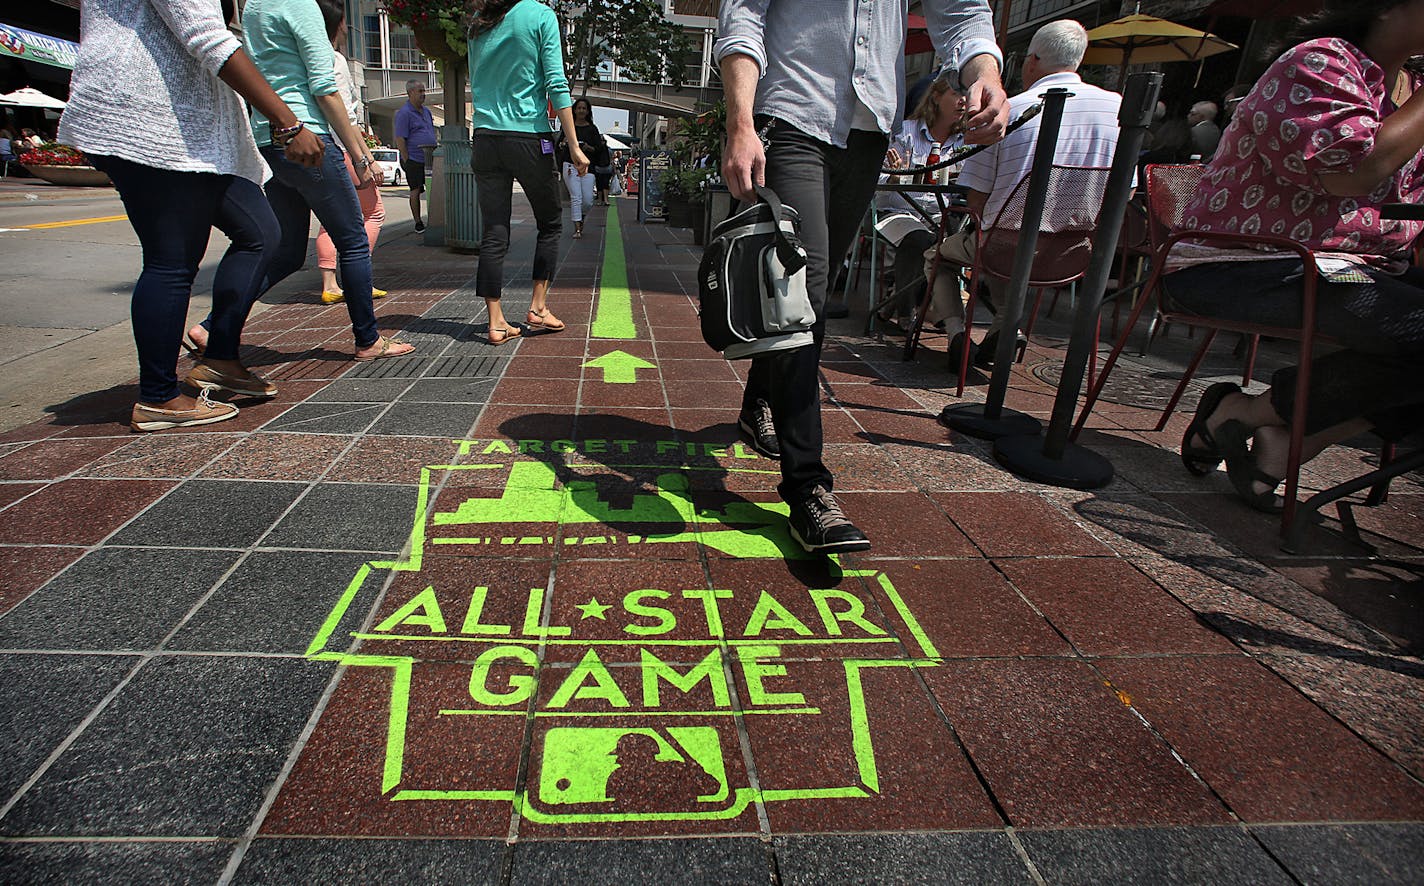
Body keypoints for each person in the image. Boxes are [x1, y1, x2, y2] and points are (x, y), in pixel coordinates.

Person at [717, 0, 1009, 553]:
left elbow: (963, 11)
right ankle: (807, 487)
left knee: (801, 295)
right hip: (792, 113)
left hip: (870, 127)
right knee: (807, 292)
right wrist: (740, 121)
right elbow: (744, 14)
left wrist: (985, 73)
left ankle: (760, 404)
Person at [1166, 0, 1424, 512]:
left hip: (1355, 269)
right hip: (1244, 263)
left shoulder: (1406, 93)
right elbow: (1350, 172)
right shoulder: (1321, 62)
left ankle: (1282, 428)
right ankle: (1261, 418)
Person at [59, 0, 323, 431]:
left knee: (261, 234)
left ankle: (219, 358)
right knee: (173, 260)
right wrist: (287, 121)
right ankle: (158, 396)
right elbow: (206, 37)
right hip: (149, 119)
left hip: (197, 134)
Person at [194, 0, 412, 362]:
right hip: (307, 138)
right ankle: (368, 339)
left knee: (288, 251)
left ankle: (213, 325)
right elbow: (324, 88)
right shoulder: (299, 4)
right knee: (354, 241)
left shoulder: (255, 9)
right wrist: (359, 157)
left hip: (269, 140)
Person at [928, 19, 1124, 370]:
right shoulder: (1118, 110)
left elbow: (976, 203)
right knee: (1014, 248)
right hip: (1076, 250)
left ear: (1031, 61)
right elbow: (1125, 192)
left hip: (1002, 245)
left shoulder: (1008, 112)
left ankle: (957, 333)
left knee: (942, 253)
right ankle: (1007, 328)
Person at [467, 0, 589, 345]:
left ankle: (495, 322)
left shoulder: (478, 21)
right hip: (528, 136)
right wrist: (574, 144)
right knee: (550, 223)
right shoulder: (540, 15)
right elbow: (556, 83)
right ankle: (537, 306)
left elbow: (477, 80)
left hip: (486, 137)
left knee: (494, 230)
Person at [873, 77, 967, 337]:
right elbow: (876, 180)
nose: (963, 100)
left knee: (948, 239)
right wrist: (893, 175)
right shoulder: (905, 132)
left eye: (966, 95)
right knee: (920, 240)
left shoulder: (964, 142)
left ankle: (893, 300)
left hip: (940, 214)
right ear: (936, 97)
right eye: (956, 93)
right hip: (897, 212)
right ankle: (906, 309)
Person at [313, 4, 387, 306]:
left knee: (331, 218)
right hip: (343, 146)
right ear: (340, 24)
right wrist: (365, 158)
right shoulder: (336, 60)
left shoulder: (308, 57)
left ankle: (330, 283)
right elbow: (344, 112)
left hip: (318, 145)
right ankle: (359, 278)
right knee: (373, 212)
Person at [558, 97, 605, 237]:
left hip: (588, 167)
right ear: (574, 110)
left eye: (584, 108)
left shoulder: (592, 129)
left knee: (588, 200)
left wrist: (587, 147)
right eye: (579, 108)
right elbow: (559, 144)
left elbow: (598, 148)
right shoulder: (568, 127)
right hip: (570, 164)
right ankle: (577, 228)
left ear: (588, 111)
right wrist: (564, 143)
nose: (581, 110)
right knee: (576, 197)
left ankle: (581, 218)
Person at [395, 80, 437, 234]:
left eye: (423, 91)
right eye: (419, 91)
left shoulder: (426, 112)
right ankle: (418, 222)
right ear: (410, 92)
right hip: (414, 158)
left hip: (429, 158)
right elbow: (400, 138)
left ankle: (434, 219)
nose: (423, 94)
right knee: (415, 190)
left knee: (432, 189)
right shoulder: (404, 113)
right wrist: (407, 159)